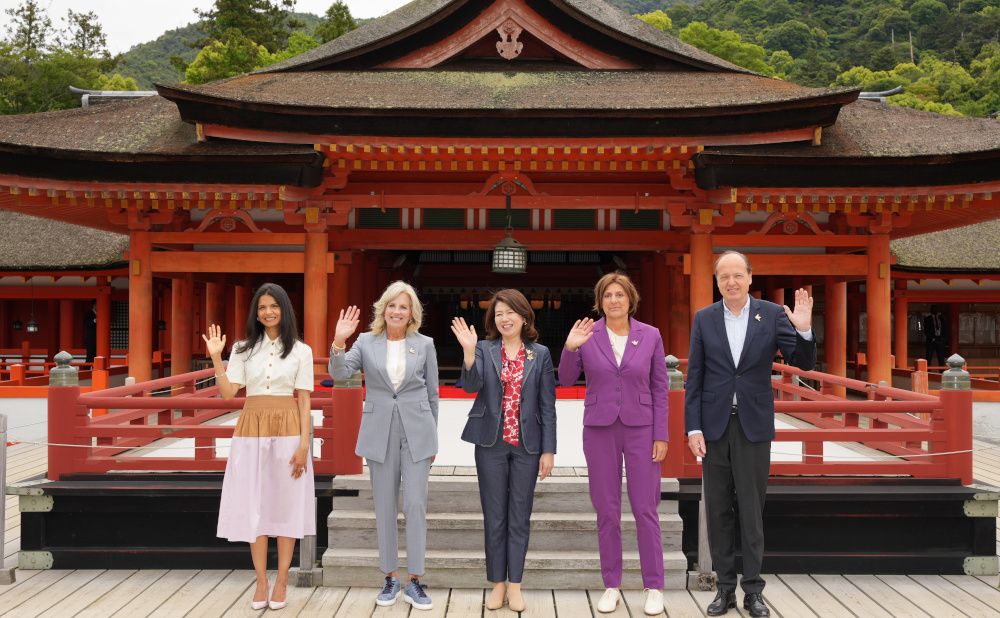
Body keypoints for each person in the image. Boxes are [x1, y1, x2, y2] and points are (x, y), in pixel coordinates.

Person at [685, 251, 816, 618]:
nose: (731, 282)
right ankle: (724, 590)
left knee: (751, 510)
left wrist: (803, 329)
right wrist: (692, 427)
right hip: (713, 426)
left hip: (753, 425)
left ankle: (753, 590)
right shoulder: (705, 319)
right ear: (716, 281)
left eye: (737, 275)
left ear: (749, 277)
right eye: (724, 276)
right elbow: (694, 377)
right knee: (718, 509)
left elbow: (803, 363)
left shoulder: (772, 315)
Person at [559, 272, 668, 616]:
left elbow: (660, 388)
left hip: (641, 429)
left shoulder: (650, 335)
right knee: (607, 510)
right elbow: (563, 379)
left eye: (620, 294)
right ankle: (612, 584)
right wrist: (569, 347)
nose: (614, 300)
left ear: (630, 299)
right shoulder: (588, 335)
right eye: (608, 295)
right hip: (600, 429)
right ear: (600, 301)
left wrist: (661, 434)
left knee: (645, 509)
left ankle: (653, 585)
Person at [203, 283, 315, 611]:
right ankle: (261, 579)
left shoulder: (301, 351)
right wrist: (215, 357)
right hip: (250, 428)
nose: (268, 312)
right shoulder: (241, 348)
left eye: (274, 306)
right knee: (256, 503)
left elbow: (305, 400)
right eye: (262, 307)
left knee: (285, 504)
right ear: (256, 311)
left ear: (284, 309)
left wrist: (304, 445)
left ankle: (282, 580)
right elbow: (228, 393)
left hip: (288, 427)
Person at [328, 281, 438, 611]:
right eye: (392, 305)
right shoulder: (365, 342)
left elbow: (432, 394)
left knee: (416, 504)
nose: (397, 311)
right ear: (383, 308)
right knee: (385, 506)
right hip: (380, 430)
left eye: (403, 307)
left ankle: (415, 580)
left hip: (418, 431)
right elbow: (340, 373)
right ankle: (391, 576)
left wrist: (433, 438)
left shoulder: (425, 344)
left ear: (412, 312)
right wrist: (338, 341)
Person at [451, 289, 557, 612]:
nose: (505, 318)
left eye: (511, 312)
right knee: (494, 517)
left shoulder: (540, 354)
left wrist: (548, 450)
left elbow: (547, 405)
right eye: (499, 314)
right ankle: (497, 584)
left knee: (520, 517)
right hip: (491, 443)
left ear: (524, 317)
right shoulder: (484, 349)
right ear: (493, 320)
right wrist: (469, 354)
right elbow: (471, 386)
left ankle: (516, 586)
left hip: (528, 445)